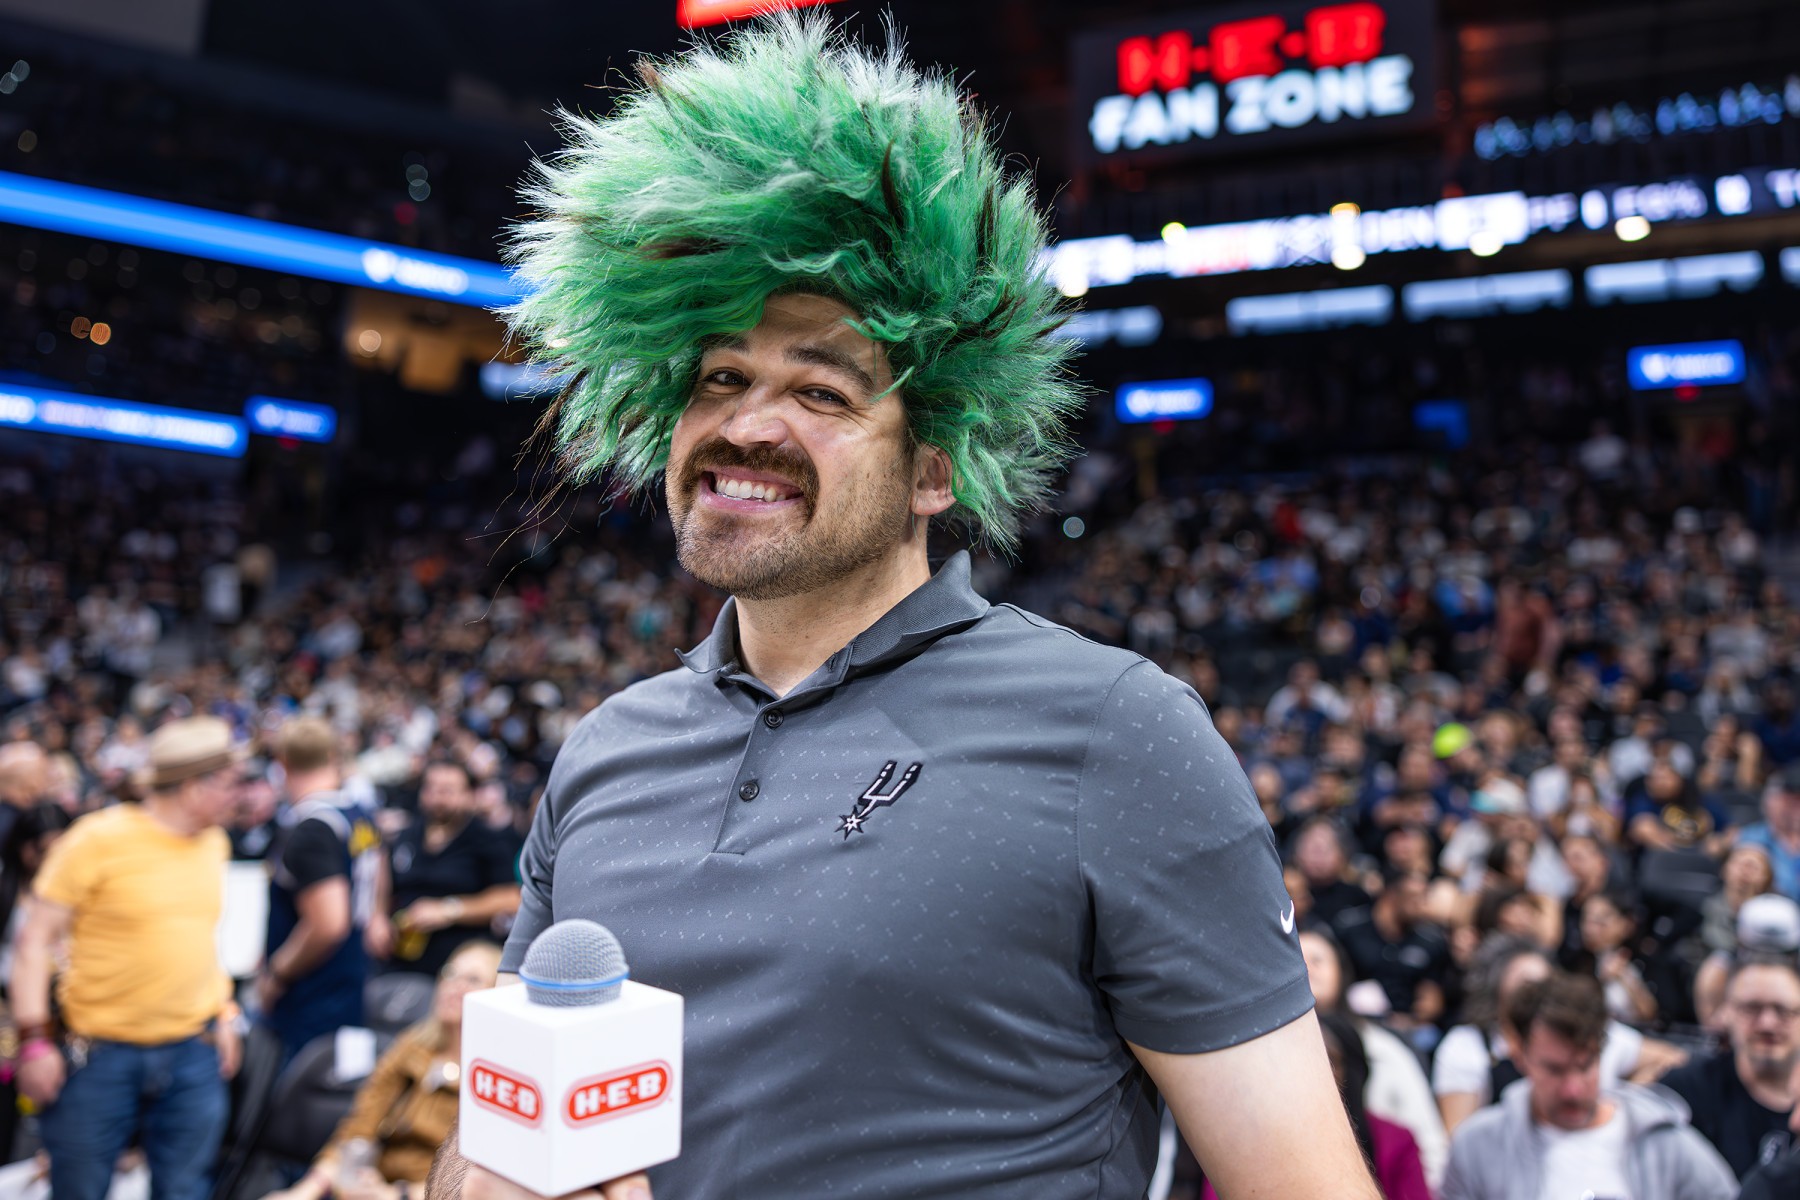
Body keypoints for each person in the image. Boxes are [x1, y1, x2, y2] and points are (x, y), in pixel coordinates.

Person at [425, 15, 1377, 1200]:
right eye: (721, 377)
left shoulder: (1117, 732)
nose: (748, 423)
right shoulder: (605, 751)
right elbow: (484, 1141)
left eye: (822, 390)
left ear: (937, 470)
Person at [9, 716, 243, 1200]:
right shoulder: (97, 839)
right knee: (80, 1189)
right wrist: (33, 1041)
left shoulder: (214, 843)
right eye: (229, 783)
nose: (237, 795)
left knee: (184, 1190)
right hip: (100, 1056)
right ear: (194, 788)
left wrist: (224, 1013)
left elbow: (199, 937)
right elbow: (34, 941)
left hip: (191, 1051)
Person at [1440, 972, 1734, 1200]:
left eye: (1584, 1067)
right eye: (1554, 1070)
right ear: (1520, 1057)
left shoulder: (1664, 1142)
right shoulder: (1478, 1146)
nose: (1573, 1089)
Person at [263, 942, 502, 1200]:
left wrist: (395, 1195)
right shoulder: (412, 1047)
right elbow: (358, 1128)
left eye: (473, 979)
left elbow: (473, 1181)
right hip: (371, 1184)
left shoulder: (495, 1079)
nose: (455, 986)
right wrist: (305, 1191)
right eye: (450, 973)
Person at [260, 716, 382, 1065]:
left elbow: (329, 924)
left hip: (314, 987)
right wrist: (375, 916)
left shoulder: (312, 827)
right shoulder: (357, 810)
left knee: (308, 1086)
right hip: (354, 971)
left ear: (283, 763)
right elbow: (379, 865)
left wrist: (277, 974)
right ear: (332, 756)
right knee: (343, 1075)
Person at [368, 760, 521, 978]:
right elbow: (386, 882)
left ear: (469, 795)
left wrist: (449, 910)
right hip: (400, 960)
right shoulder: (407, 835)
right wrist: (378, 917)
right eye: (430, 788)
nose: (437, 798)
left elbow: (511, 897)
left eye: (447, 790)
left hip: (458, 963)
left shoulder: (489, 841)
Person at [1660, 956, 1800, 1180]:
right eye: (1751, 1008)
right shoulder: (1687, 1090)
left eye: (1783, 1010)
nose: (1767, 1023)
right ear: (1726, 1012)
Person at [1741, 766, 1800, 901]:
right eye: (1790, 800)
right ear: (1769, 802)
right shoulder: (1753, 837)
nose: (1796, 807)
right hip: (1768, 906)